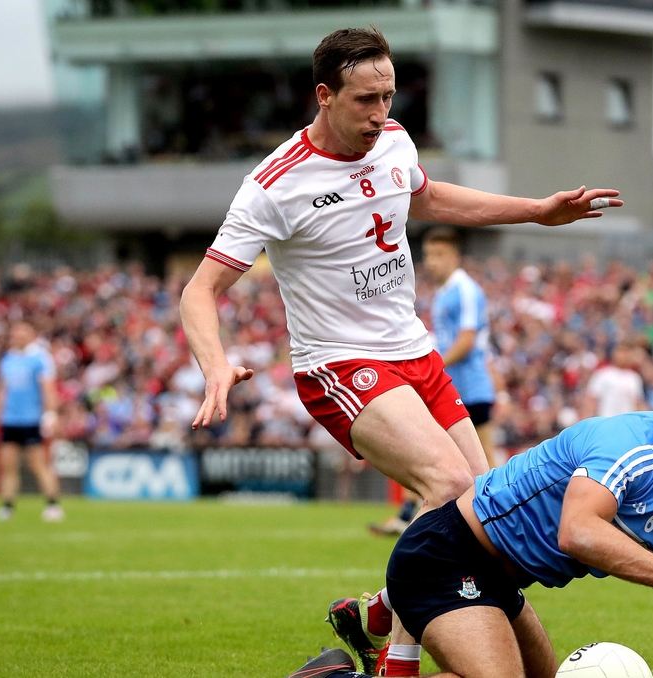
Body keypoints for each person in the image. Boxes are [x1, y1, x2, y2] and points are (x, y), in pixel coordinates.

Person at [178, 27, 621, 676]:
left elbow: (431, 198)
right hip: (339, 363)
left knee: (487, 514)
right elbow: (200, 289)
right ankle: (397, 658)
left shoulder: (394, 140)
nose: (379, 114)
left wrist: (535, 210)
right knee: (449, 487)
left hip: (416, 357)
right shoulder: (276, 185)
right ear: (324, 96)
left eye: (387, 97)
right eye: (365, 101)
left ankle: (381, 612)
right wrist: (214, 363)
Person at [290, 387, 653, 678]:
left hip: (500, 584)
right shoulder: (633, 443)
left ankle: (375, 627)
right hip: (446, 552)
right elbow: (577, 532)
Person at [369, 227, 501, 537]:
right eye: (428, 255)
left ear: (456, 256)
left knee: (484, 462)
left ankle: (500, 522)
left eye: (439, 255)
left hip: (468, 386)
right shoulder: (442, 293)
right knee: (429, 450)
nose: (432, 262)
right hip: (448, 384)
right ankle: (408, 514)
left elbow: (467, 339)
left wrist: (434, 367)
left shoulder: (465, 289)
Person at [0, 321, 63, 522]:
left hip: (31, 419)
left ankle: (53, 504)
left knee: (38, 464)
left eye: (21, 333)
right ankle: (7, 506)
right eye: (15, 333)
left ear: (31, 335)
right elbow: (3, 389)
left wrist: (51, 413)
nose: (17, 336)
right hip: (9, 420)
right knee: (8, 466)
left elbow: (48, 388)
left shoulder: (40, 358)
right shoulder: (8, 360)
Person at [582, 344, 644, 418]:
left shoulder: (634, 377)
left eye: (627, 352)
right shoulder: (602, 374)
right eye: (621, 351)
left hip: (627, 423)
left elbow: (638, 403)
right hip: (607, 420)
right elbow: (591, 400)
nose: (624, 355)